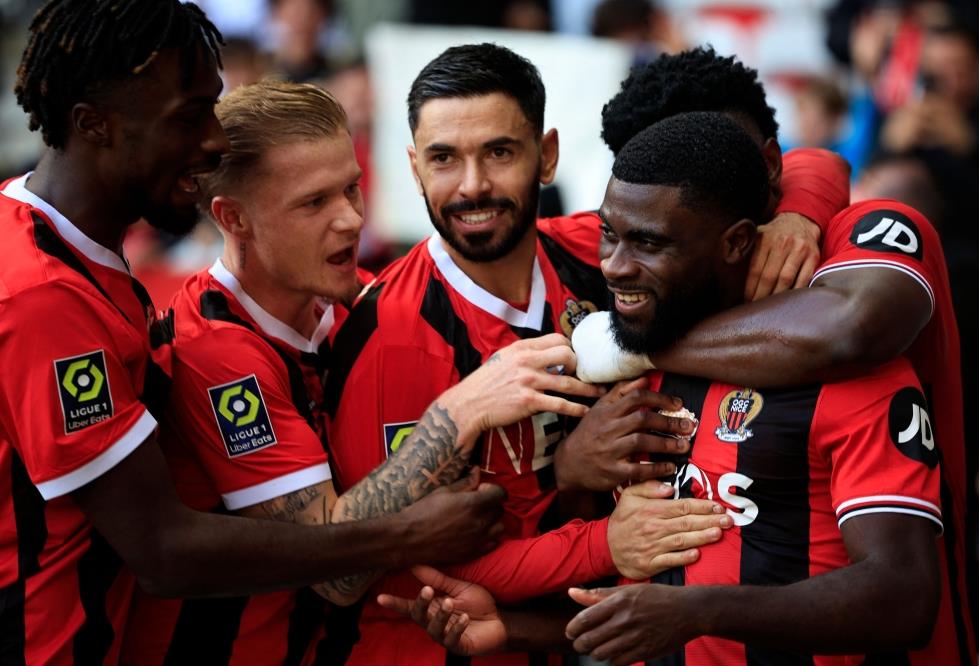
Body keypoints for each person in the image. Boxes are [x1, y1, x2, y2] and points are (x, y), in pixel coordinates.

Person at [0, 3, 568, 662]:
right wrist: (434, 471)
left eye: (351, 190)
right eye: (313, 203)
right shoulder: (176, 335)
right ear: (234, 219)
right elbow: (169, 550)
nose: (350, 220)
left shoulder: (357, 304)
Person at [326, 43, 849, 664]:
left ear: (546, 155)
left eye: (499, 152)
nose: (472, 185)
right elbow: (404, 567)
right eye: (444, 158)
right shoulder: (385, 335)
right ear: (414, 168)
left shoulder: (600, 249)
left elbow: (813, 163)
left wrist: (797, 218)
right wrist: (602, 536)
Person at [380, 111, 948, 665]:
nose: (614, 266)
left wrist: (702, 611)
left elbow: (903, 598)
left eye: (648, 243)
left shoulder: (850, 378)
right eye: (609, 235)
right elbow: (645, 606)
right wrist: (513, 629)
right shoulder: (629, 379)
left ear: (735, 243)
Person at [570, 46, 974, 665]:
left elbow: (850, 328)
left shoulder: (859, 255)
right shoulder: (642, 268)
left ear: (764, 168)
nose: (619, 262)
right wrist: (572, 467)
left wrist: (631, 348)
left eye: (706, 157)